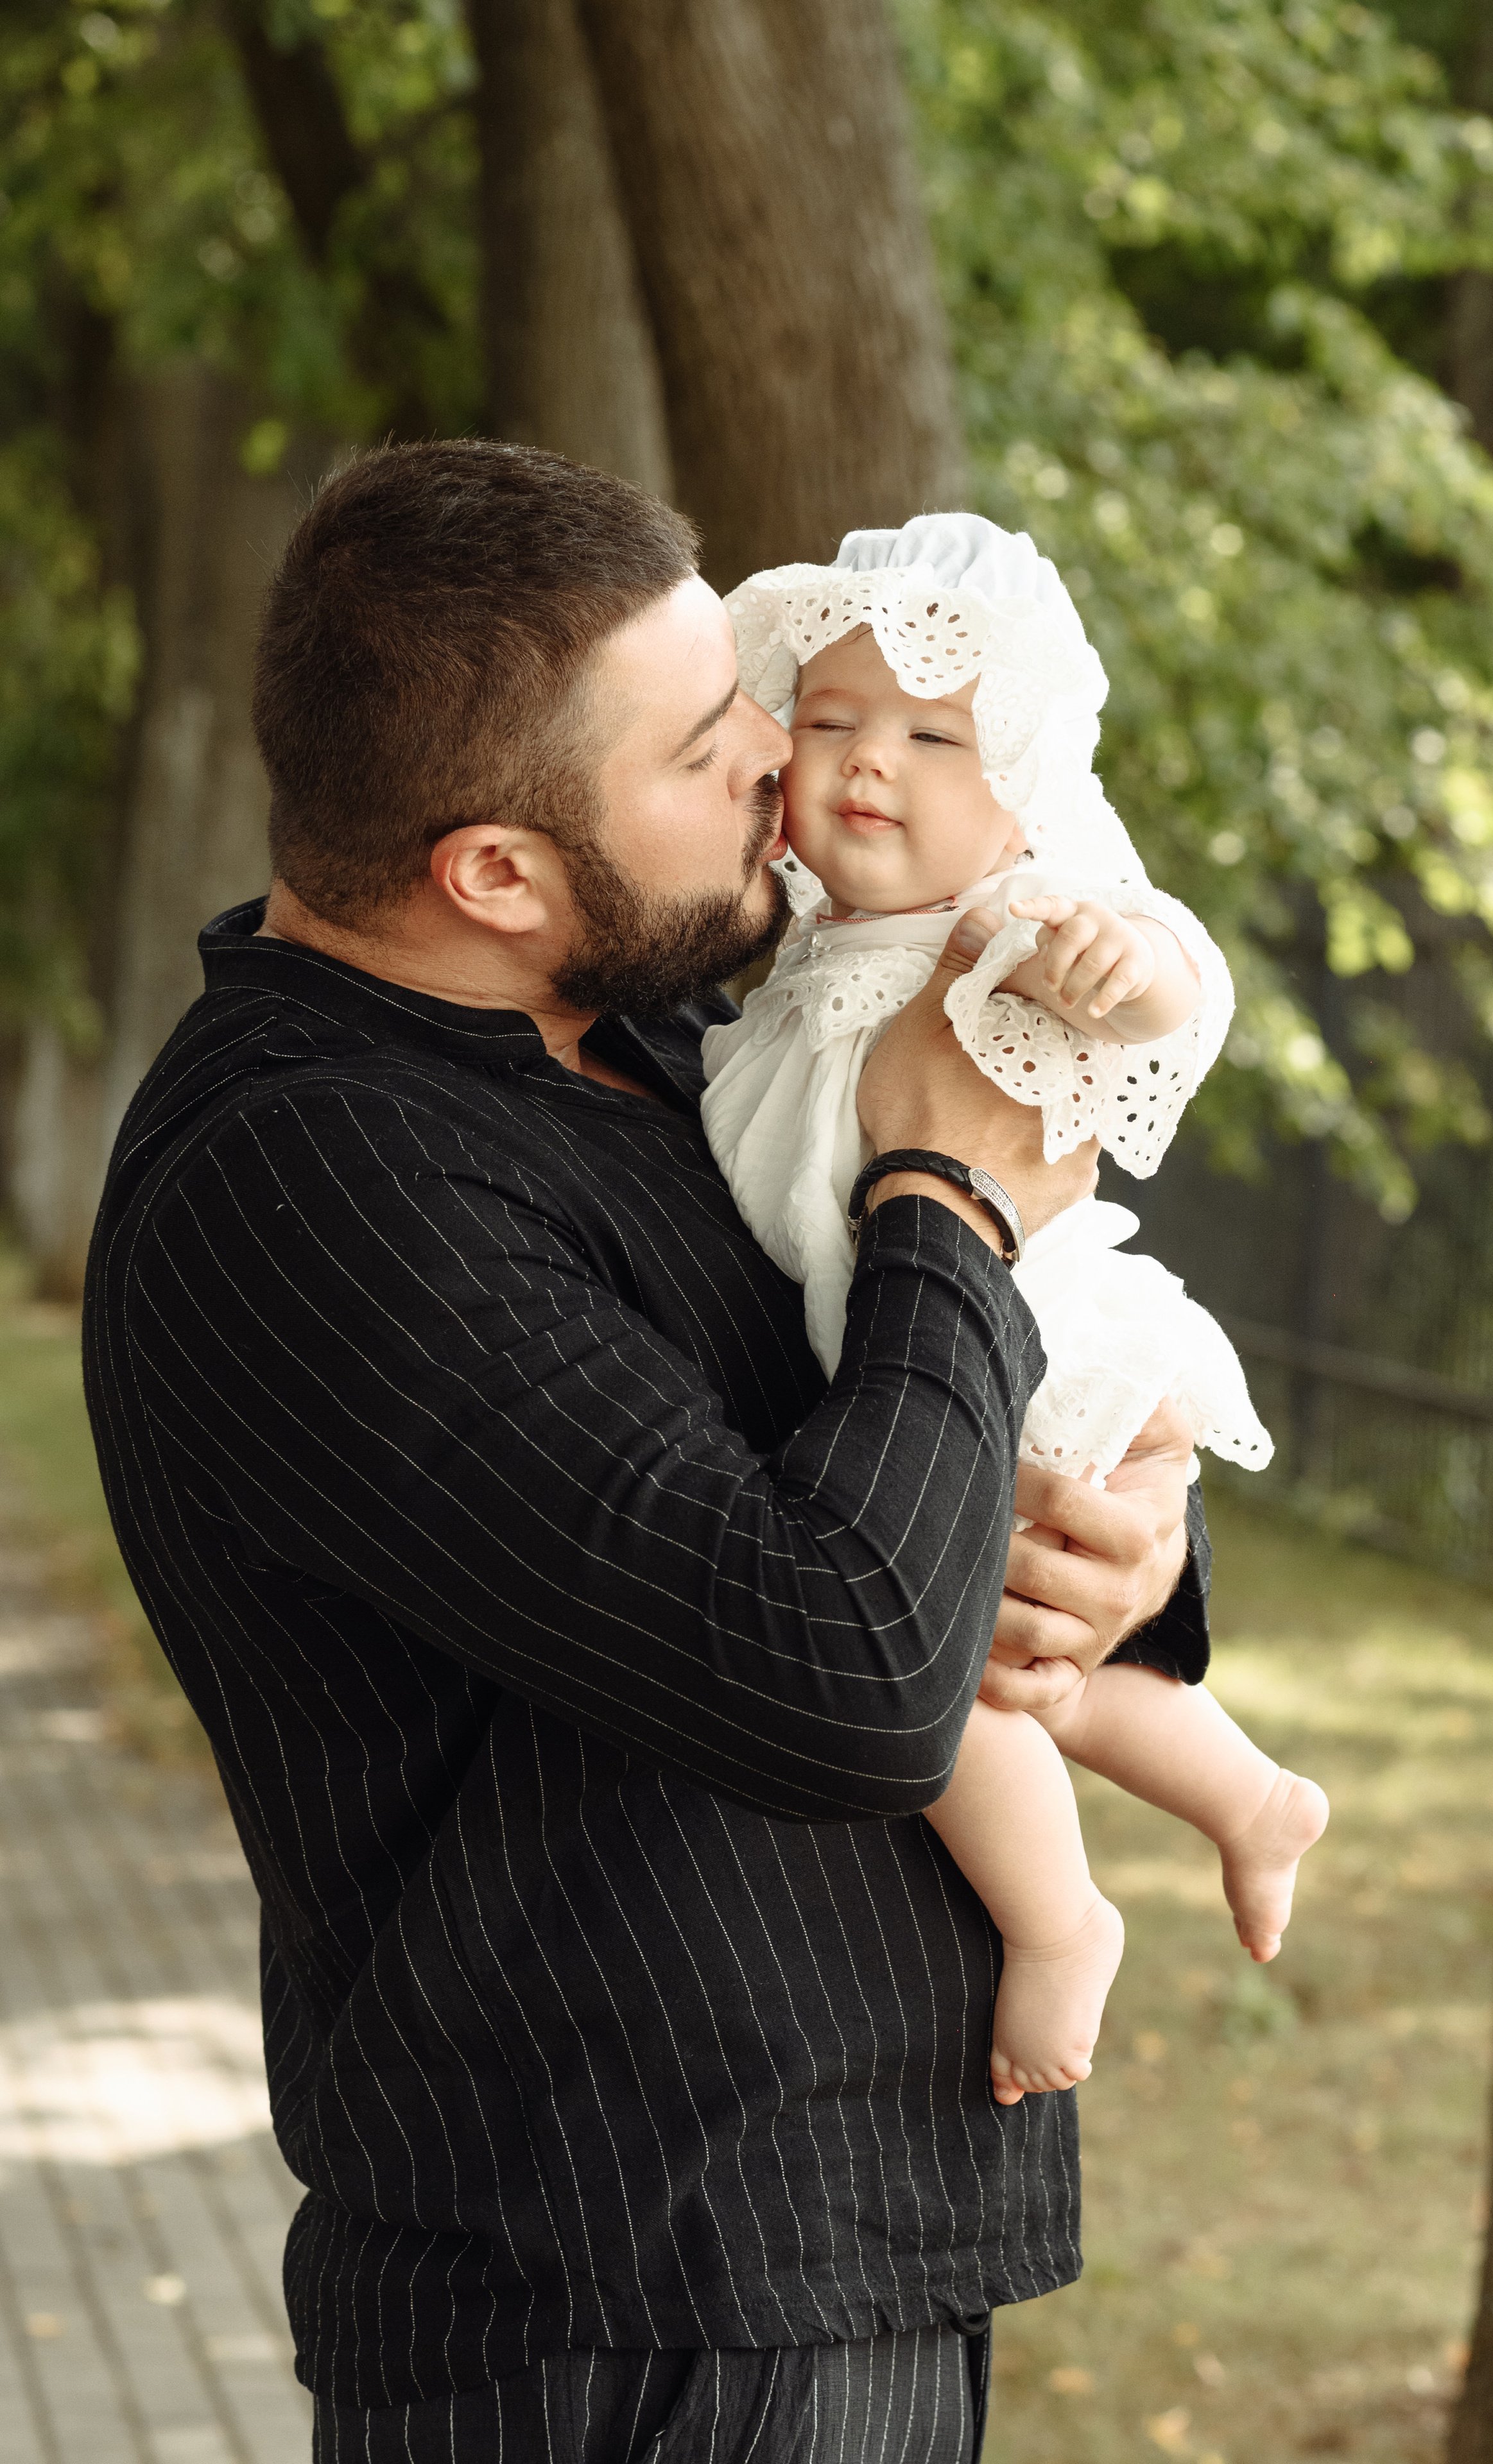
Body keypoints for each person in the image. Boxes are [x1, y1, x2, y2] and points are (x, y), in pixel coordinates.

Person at [82, 441, 1213, 2464]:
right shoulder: (320, 1180)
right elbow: (839, 1673)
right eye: (709, 751)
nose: (788, 762)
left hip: (824, 2272)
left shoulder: (652, 1030)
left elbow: (879, 1434)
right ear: (494, 871)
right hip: (615, 2322)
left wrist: (1127, 1551)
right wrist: (945, 1186)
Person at [704, 515, 1327, 2105]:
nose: (866, 762)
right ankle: (1251, 1796)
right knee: (1034, 1659)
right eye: (830, 721)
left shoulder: (1009, 918)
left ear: (1024, 783)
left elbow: (1166, 970)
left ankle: (1056, 1924)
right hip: (893, 1331)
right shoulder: (790, 933)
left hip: (1007, 1332)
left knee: (949, 1662)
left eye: (931, 735)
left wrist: (1128, 967)